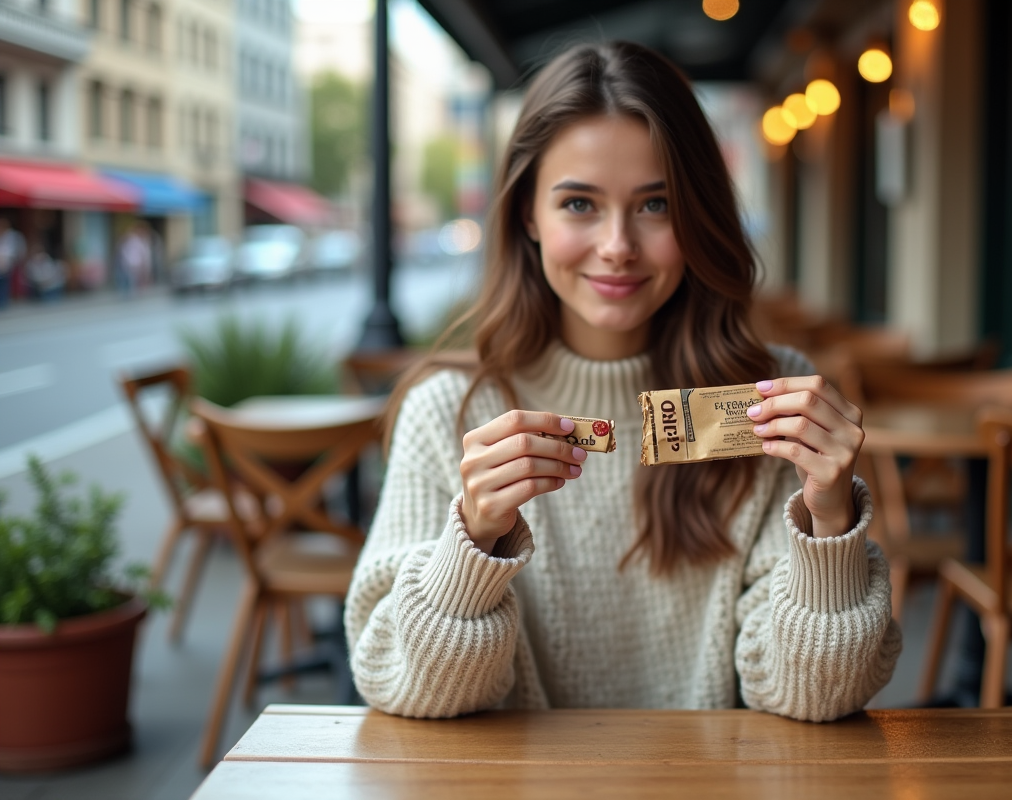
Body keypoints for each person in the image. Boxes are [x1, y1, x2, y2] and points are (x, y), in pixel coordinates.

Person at [345, 41, 901, 722]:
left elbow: (817, 695)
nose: (617, 246)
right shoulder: (447, 414)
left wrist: (830, 522)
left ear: (698, 214)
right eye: (579, 204)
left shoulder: (771, 403)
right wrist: (476, 539)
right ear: (528, 215)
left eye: (656, 204)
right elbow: (399, 683)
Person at [0, 218, 25, 309]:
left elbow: (18, 249)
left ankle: (4, 301)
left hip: (9, 263)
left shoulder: (13, 236)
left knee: (6, 283)